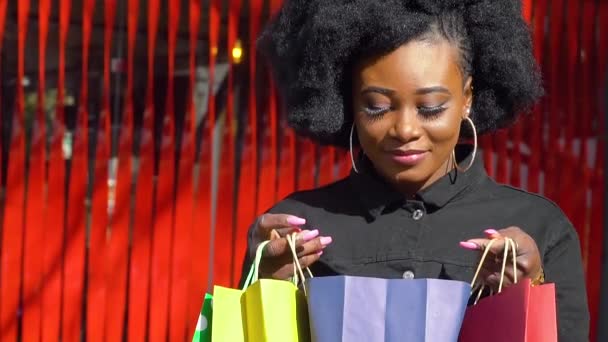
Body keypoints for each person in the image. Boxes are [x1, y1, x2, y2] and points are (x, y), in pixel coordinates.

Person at [240, 0, 589, 340]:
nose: (405, 130)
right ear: (349, 101)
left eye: (431, 107)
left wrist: (530, 291)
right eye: (377, 107)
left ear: (467, 96)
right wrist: (262, 288)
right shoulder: (294, 232)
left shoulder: (540, 230)